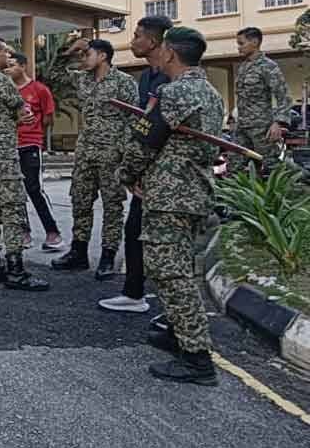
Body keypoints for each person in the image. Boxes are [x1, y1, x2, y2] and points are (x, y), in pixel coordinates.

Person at [118, 27, 223, 386]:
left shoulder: (174, 92)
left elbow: (144, 141)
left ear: (171, 54)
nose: (158, 55)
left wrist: (126, 174)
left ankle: (197, 359)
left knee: (170, 273)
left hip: (170, 195)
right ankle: (179, 333)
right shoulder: (210, 93)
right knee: (182, 270)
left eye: (161, 48)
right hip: (195, 193)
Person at [100, 15, 173, 313]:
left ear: (154, 42)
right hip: (147, 167)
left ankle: (172, 312)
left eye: (138, 36)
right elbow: (143, 124)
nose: (132, 41)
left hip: (168, 171)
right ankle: (134, 292)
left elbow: (160, 129)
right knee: (135, 230)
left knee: (166, 241)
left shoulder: (173, 79)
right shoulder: (146, 77)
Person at [49, 38, 137, 280]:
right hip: (86, 152)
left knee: (112, 205)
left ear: (103, 56)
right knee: (80, 201)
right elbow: (54, 75)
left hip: (112, 153)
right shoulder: (83, 79)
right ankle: (79, 252)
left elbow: (133, 121)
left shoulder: (124, 82)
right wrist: (69, 51)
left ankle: (108, 254)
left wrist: (127, 154)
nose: (83, 58)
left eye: (87, 54)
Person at [0, 38, 49, 291]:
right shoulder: (0, 80)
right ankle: (16, 269)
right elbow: (21, 109)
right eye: (6, 52)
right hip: (3, 150)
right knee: (14, 206)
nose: (10, 56)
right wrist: (23, 114)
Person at [6, 53, 63, 251]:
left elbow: (48, 118)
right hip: (11, 145)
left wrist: (34, 133)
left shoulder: (39, 90)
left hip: (30, 144)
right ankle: (24, 232)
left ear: (23, 66)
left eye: (12, 65)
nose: (8, 69)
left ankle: (53, 232)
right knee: (16, 191)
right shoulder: (7, 91)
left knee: (34, 188)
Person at [229, 27, 291, 176]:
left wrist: (278, 123)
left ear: (255, 42)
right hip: (242, 127)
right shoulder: (243, 67)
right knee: (234, 165)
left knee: (274, 167)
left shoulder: (268, 67)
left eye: (241, 43)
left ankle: (301, 186)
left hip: (262, 128)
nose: (238, 48)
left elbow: (283, 96)